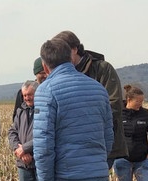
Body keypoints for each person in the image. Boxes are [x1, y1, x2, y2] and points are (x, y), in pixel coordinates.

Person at [33, 38, 114, 181]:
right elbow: (108, 135)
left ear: (44, 65)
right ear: (71, 58)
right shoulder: (98, 88)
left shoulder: (46, 90)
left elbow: (43, 144)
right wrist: (99, 167)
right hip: (98, 179)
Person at [53, 30, 128, 168]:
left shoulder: (102, 69)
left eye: (63, 51)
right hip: (71, 146)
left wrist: (82, 124)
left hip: (101, 142)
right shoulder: (61, 74)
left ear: (74, 49)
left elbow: (114, 105)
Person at [8, 80, 43, 181]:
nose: (27, 98)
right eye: (25, 95)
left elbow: (44, 134)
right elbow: (12, 131)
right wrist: (18, 149)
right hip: (23, 162)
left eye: (30, 94)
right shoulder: (20, 111)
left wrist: (26, 148)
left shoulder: (44, 110)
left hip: (40, 161)